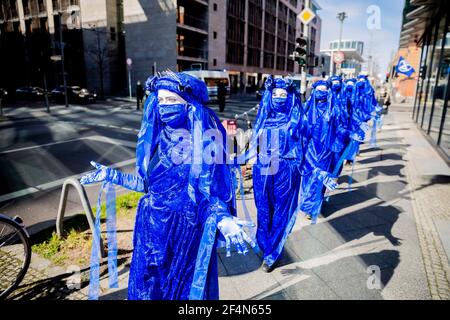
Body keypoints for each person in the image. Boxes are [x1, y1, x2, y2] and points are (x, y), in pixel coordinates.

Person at [80, 71, 255, 300]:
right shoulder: (157, 140)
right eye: (161, 100)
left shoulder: (205, 144)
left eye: (172, 100)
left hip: (185, 235)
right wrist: (113, 175)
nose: (164, 106)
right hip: (151, 234)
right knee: (150, 289)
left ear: (188, 104)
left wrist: (222, 218)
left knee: (182, 290)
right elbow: (146, 185)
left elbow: (210, 195)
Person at [243, 76, 305, 273]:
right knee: (263, 210)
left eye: (283, 95)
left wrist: (315, 170)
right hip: (263, 170)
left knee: (280, 212)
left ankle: (271, 254)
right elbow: (253, 145)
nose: (279, 98)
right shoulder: (263, 119)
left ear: (289, 97)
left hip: (286, 170)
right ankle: (266, 245)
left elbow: (306, 144)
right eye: (275, 94)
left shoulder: (296, 120)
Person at [299, 80, 340, 223]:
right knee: (308, 178)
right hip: (309, 150)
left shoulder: (334, 110)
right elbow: (302, 132)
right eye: (319, 89)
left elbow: (338, 131)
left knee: (320, 180)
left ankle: (313, 207)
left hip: (326, 152)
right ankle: (308, 206)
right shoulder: (307, 109)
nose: (321, 92)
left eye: (324, 90)